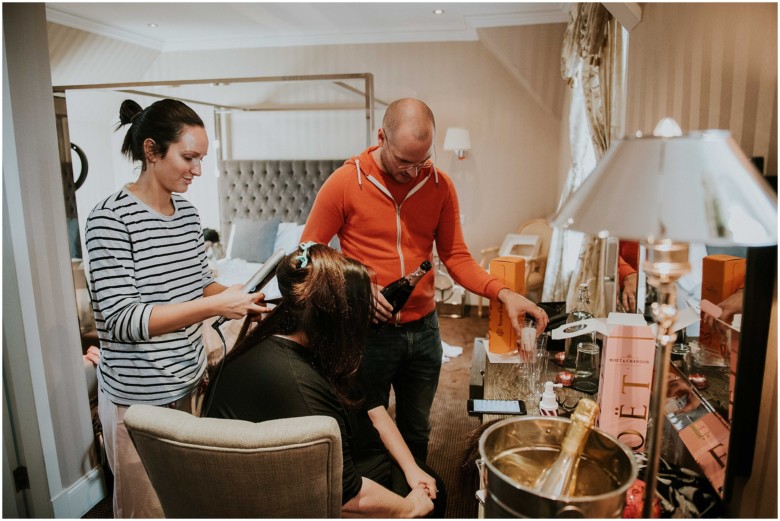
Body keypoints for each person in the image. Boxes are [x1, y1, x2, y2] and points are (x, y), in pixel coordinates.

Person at [300, 98, 549, 462]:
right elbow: (307, 254)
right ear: (381, 137)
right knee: (367, 427)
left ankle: (415, 498)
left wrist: (504, 293)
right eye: (404, 161)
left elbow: (457, 257)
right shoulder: (344, 182)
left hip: (424, 332)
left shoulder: (439, 186)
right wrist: (356, 288)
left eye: (422, 160)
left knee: (417, 429)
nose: (414, 171)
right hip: (367, 333)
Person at [84, 99, 269, 518]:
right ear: (151, 151)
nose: (197, 170)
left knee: (185, 501)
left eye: (201, 159)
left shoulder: (186, 214)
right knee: (145, 510)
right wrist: (215, 306)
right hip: (138, 401)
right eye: (189, 157)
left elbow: (198, 283)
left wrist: (239, 296)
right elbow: (122, 320)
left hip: (187, 383)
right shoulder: (110, 220)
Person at [206, 243, 444, 517]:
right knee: (432, 505)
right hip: (311, 494)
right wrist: (407, 509)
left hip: (343, 468)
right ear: (337, 315)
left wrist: (412, 468)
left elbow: (374, 408)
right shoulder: (297, 386)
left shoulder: (311, 340)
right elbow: (344, 495)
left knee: (429, 482)